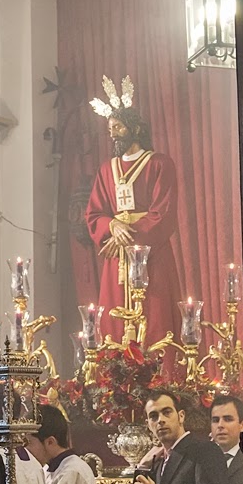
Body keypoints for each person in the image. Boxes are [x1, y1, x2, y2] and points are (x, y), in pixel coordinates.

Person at [85, 75, 182, 348]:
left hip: (152, 255)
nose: (113, 134)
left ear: (135, 128)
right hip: (117, 260)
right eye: (110, 129)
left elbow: (163, 214)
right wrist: (112, 226)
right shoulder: (107, 170)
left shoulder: (160, 164)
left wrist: (126, 236)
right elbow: (94, 213)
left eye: (118, 127)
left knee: (156, 319)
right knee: (113, 325)